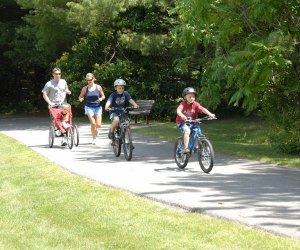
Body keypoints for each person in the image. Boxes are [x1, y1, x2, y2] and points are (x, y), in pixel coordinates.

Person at [176, 87, 215, 154]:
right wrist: (182, 115)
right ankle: (186, 148)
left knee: (198, 132)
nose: (192, 98)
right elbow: (178, 110)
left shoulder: (195, 104)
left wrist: (210, 114)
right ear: (185, 97)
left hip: (193, 122)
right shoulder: (183, 104)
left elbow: (203, 109)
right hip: (182, 122)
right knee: (187, 131)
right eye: (190, 96)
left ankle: (196, 146)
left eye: (193, 97)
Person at [42, 67, 71, 146]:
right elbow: (44, 94)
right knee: (56, 120)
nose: (58, 75)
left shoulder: (63, 81)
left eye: (59, 74)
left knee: (65, 120)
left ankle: (64, 139)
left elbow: (67, 89)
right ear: (53, 75)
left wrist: (68, 91)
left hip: (63, 105)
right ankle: (56, 129)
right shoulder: (49, 84)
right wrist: (50, 103)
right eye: (56, 74)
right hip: (54, 105)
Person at [78, 73, 105, 145]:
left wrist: (101, 98)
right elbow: (80, 96)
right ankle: (94, 138)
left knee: (98, 125)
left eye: (90, 79)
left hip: (98, 107)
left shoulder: (98, 87)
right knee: (93, 123)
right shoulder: (85, 88)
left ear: (93, 79)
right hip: (89, 107)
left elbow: (103, 96)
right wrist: (81, 99)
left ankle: (96, 129)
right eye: (88, 80)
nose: (89, 81)